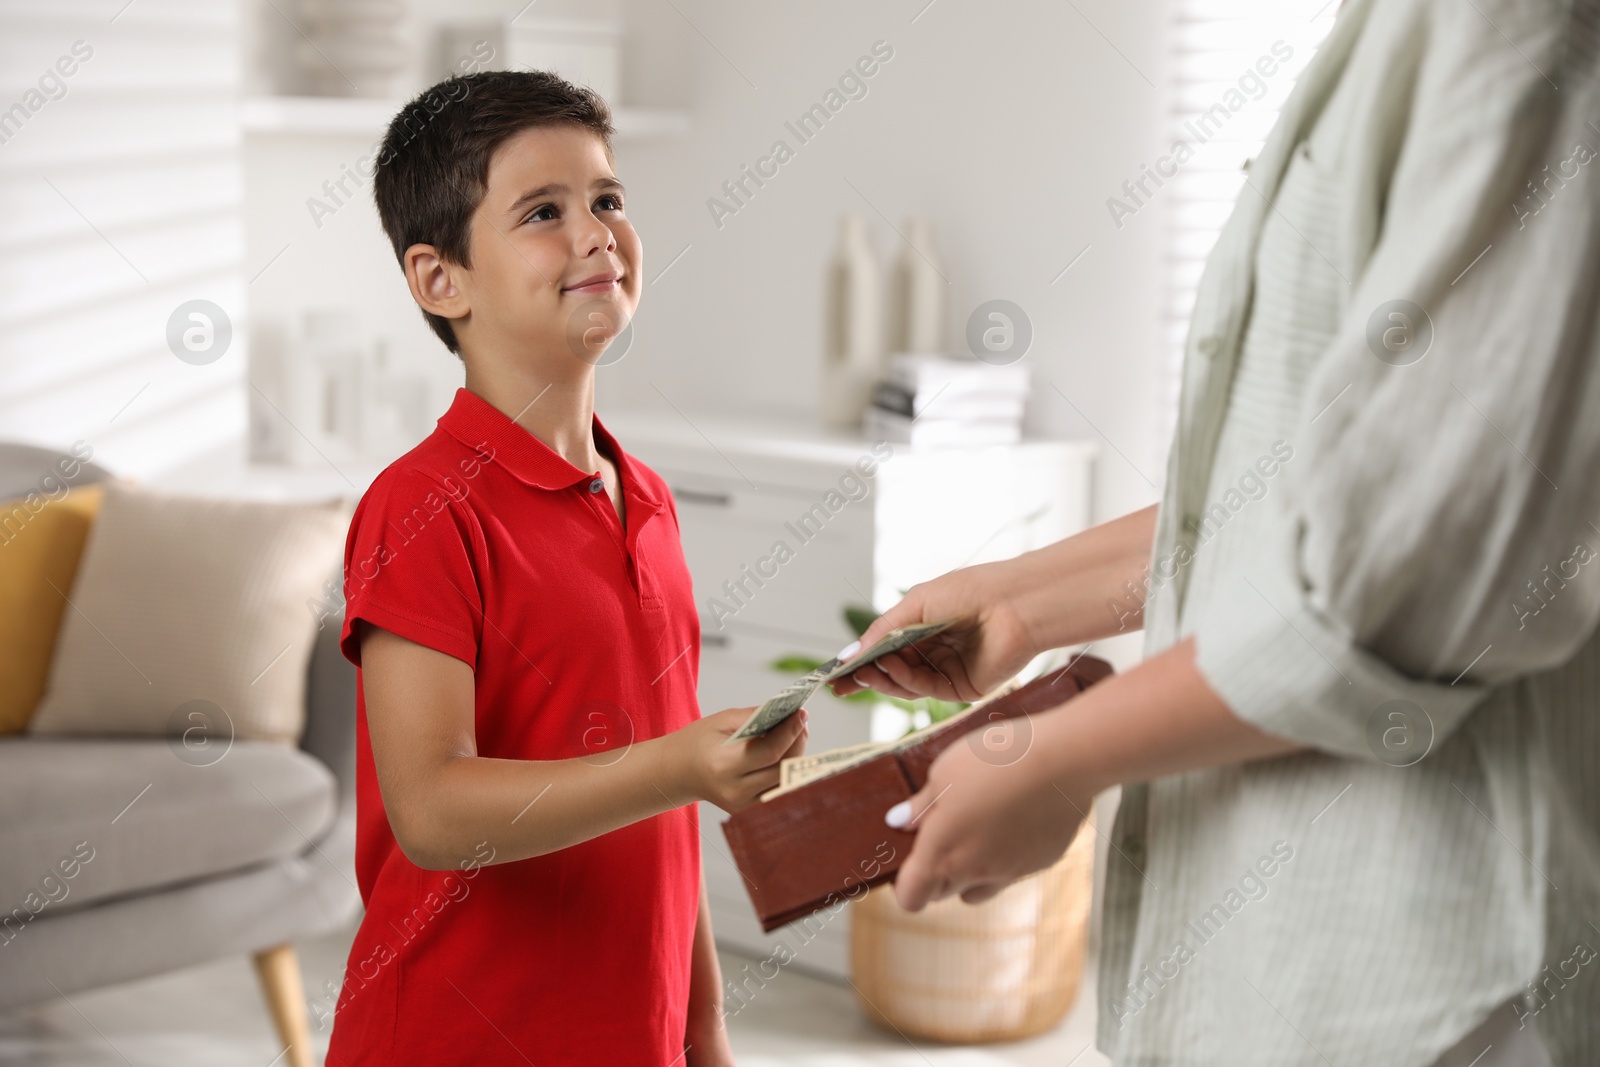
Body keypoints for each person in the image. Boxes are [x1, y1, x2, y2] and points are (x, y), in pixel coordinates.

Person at [831, 0, 1600, 1064]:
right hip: (1264, 971)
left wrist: (1058, 760)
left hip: (1422, 990)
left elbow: (1410, 582)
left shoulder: (1511, 27)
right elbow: (1314, 489)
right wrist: (1023, 598)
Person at [325, 70, 806, 1066]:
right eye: (544, 211)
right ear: (438, 279)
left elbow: (667, 819)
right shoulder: (419, 510)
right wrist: (680, 762)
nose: (595, 232)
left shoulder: (650, 500)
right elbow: (429, 808)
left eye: (608, 199)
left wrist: (704, 1030)